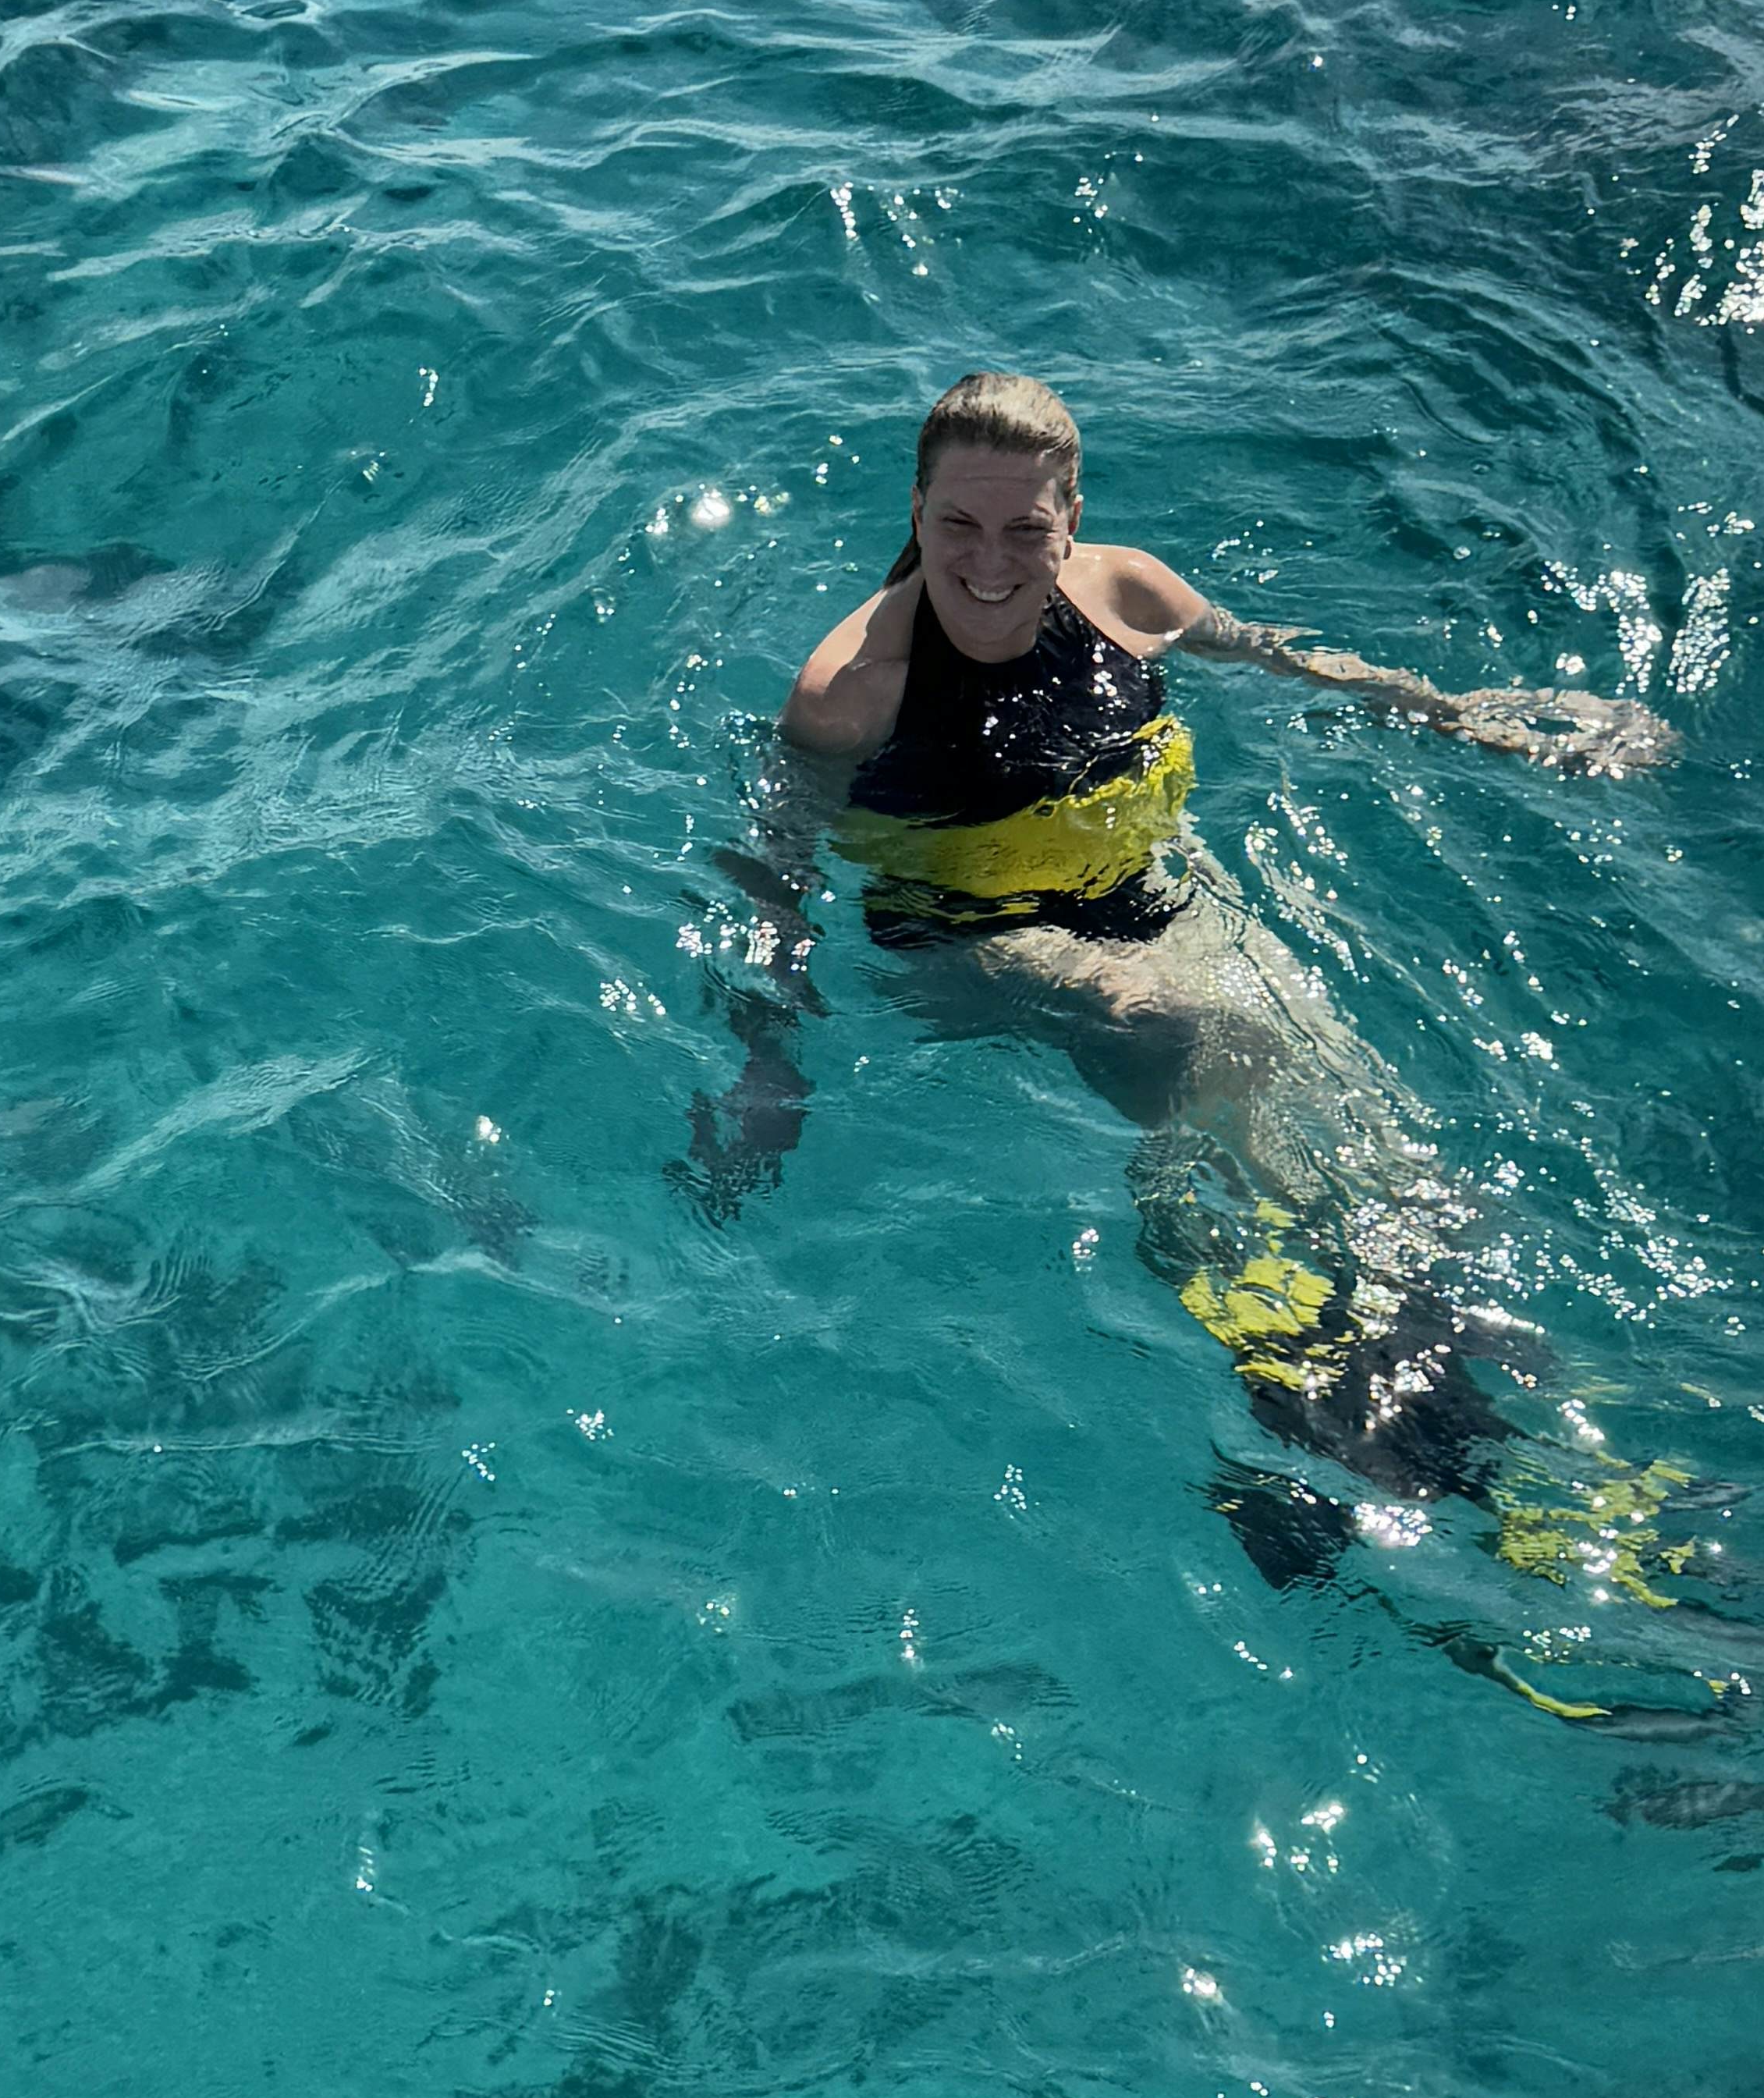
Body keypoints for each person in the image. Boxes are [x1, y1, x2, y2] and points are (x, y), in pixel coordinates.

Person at [681, 371, 1698, 1666]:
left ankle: (1537, 1419)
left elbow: (1282, 656)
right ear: (919, 511)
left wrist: (1476, 722)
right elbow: (773, 868)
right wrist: (768, 1050)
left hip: (1154, 886)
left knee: (1383, 1148)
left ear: (1071, 518)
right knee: (1174, 1033)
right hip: (978, 937)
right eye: (958, 526)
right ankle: (1302, 1413)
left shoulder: (1128, 593)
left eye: (1025, 529)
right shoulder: (852, 689)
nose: (990, 564)